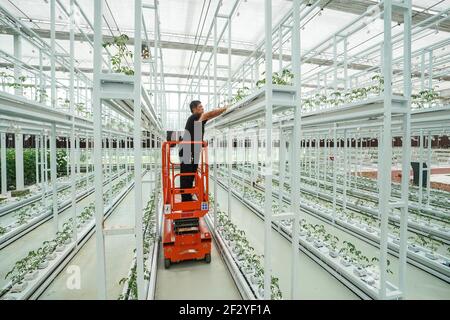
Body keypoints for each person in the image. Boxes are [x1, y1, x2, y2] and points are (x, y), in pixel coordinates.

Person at [179, 100, 227, 201]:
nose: (202, 108)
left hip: (191, 151)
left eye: (202, 106)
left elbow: (196, 132)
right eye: (200, 107)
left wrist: (201, 140)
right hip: (187, 151)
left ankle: (188, 195)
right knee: (187, 175)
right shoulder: (194, 116)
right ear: (194, 109)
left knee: (191, 173)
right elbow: (210, 114)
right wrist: (225, 108)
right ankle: (186, 198)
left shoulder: (197, 120)